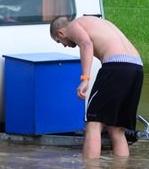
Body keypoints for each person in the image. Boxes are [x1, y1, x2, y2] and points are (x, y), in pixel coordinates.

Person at [50, 15, 144, 159]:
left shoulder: (73, 26)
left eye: (59, 42)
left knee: (93, 124)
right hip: (136, 67)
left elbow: (86, 44)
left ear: (60, 33)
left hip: (117, 66)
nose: (64, 45)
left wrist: (85, 79)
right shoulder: (96, 22)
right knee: (116, 128)